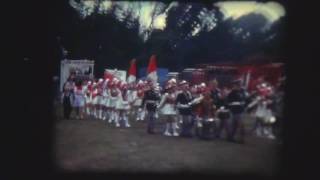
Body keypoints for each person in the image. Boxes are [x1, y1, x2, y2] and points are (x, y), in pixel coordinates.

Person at [226, 79, 249, 143]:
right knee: (234, 126)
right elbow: (228, 102)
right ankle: (230, 137)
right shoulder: (231, 93)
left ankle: (241, 139)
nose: (239, 86)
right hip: (233, 111)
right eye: (237, 85)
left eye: (239, 85)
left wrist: (244, 104)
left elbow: (246, 99)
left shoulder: (243, 91)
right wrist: (236, 103)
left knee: (240, 125)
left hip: (240, 111)